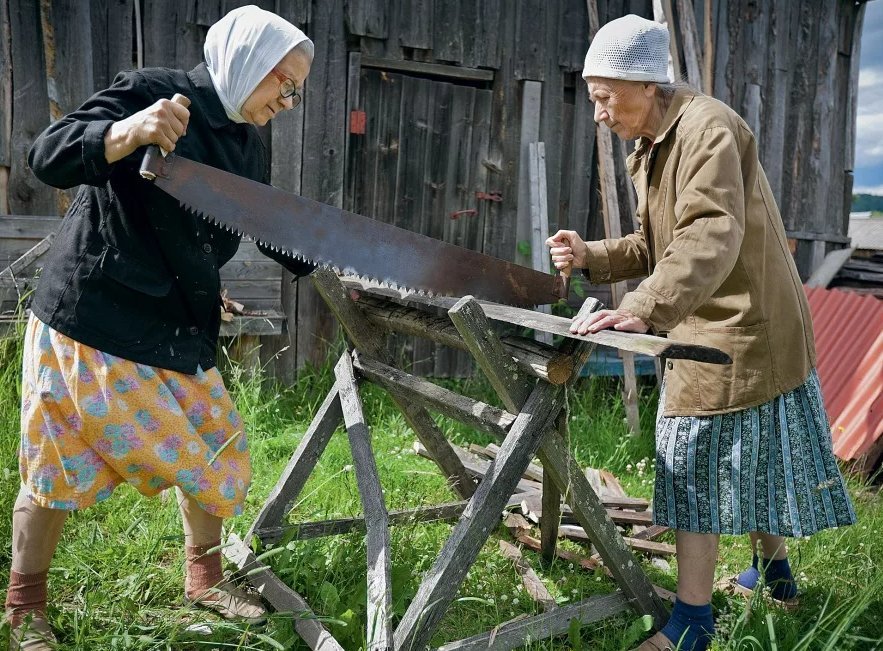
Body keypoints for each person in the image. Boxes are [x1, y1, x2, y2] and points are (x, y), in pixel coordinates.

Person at [4, 5, 316, 649]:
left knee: (218, 441)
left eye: (296, 90)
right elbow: (47, 155)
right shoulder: (152, 91)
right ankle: (24, 606)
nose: (288, 99)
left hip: (173, 327)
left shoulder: (249, 142)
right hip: (90, 320)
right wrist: (127, 132)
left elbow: (247, 222)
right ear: (247, 64)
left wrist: (334, 260)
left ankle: (204, 578)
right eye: (282, 83)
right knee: (54, 467)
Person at [547, 14, 856, 651]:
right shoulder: (652, 144)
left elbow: (710, 233)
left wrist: (644, 306)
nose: (600, 114)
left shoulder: (708, 129)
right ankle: (778, 579)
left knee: (690, 469)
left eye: (606, 97)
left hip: (742, 324)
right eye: (595, 99)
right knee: (753, 458)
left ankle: (692, 623)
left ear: (646, 83)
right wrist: (591, 255)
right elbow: (654, 243)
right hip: (711, 316)